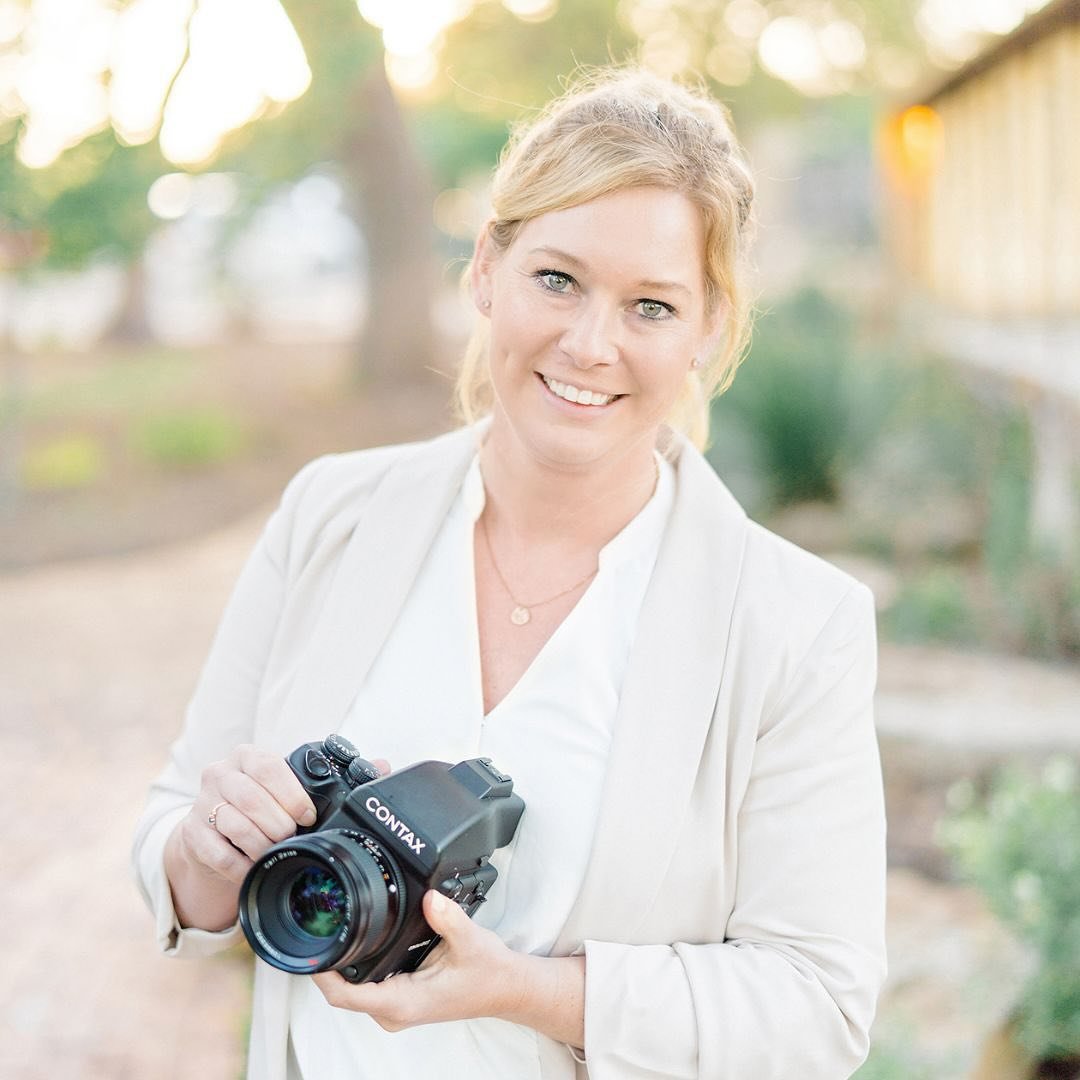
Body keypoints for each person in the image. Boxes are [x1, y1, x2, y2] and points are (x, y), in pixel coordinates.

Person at [133, 67, 886, 1080]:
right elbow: (175, 842)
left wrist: (528, 990)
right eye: (557, 279)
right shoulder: (331, 515)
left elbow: (818, 1009)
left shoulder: (799, 624)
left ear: (711, 329)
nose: (590, 343)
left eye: (651, 306)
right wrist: (204, 851)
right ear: (485, 267)